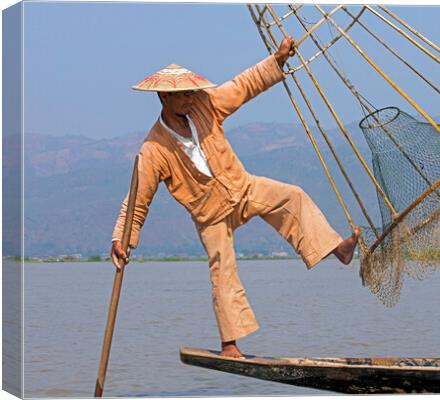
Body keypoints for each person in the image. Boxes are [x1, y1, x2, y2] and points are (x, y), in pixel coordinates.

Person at [110, 37, 360, 358]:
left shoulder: (205, 104)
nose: (188, 99)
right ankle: (230, 344)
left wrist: (277, 61)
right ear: (163, 97)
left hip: (242, 188)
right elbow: (136, 201)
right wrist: (122, 238)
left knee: (292, 196)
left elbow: (243, 86)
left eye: (189, 92)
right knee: (223, 270)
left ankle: (336, 248)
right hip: (210, 214)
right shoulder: (153, 149)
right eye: (181, 95)